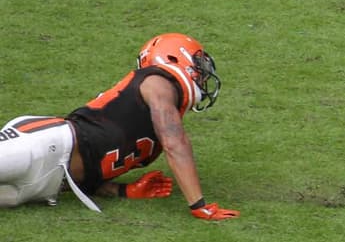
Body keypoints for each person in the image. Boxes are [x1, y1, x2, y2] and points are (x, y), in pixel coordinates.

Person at [0, 33, 240, 220]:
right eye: (198, 65)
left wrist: (125, 191)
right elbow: (175, 144)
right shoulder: (156, 83)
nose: (202, 76)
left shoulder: (155, 124)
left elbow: (92, 169)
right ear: (174, 58)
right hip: (45, 143)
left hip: (50, 186)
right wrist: (199, 205)